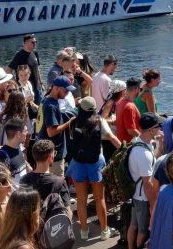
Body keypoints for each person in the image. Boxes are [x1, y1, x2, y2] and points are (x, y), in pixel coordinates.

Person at [67, 96, 120, 241]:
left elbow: (74, 140)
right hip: (96, 162)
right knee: (99, 199)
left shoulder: (73, 122)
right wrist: (126, 151)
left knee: (81, 200)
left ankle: (84, 231)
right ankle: (104, 231)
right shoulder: (100, 121)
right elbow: (112, 139)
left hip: (78, 163)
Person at [128, 112, 164, 249]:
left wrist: (160, 145)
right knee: (142, 231)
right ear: (151, 130)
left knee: (133, 225)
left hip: (135, 195)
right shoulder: (143, 154)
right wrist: (153, 204)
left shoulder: (139, 142)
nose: (160, 128)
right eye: (158, 126)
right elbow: (147, 184)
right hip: (143, 198)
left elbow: (151, 161)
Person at [38, 76, 77, 176]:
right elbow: (51, 132)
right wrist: (69, 123)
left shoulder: (48, 100)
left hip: (49, 152)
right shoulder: (51, 106)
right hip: (53, 155)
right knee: (56, 185)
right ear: (56, 88)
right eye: (65, 90)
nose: (68, 93)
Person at [21, 139, 71, 207]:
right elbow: (67, 211)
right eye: (54, 153)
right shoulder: (60, 182)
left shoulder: (24, 180)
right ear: (50, 157)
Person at [7, 34, 43, 105]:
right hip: (25, 89)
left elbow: (37, 68)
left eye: (35, 42)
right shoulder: (19, 55)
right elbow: (8, 70)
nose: (35, 44)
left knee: (39, 109)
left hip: (37, 87)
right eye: (32, 42)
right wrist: (15, 84)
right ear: (26, 43)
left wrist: (41, 82)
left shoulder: (35, 53)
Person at [0, 118, 29, 182]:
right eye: (25, 131)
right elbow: (0, 183)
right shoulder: (3, 156)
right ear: (18, 134)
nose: (27, 133)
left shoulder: (18, 148)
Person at [116, 77, 142, 143]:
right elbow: (131, 130)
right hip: (129, 146)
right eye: (140, 89)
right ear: (136, 89)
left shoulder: (120, 101)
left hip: (121, 142)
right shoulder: (129, 107)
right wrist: (143, 139)